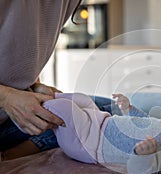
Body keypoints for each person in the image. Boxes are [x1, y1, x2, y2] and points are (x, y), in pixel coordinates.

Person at [0, 0, 107, 160]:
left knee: (108, 111)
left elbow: (19, 45)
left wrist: (33, 85)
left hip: (8, 122)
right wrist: (6, 97)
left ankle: (12, 154)